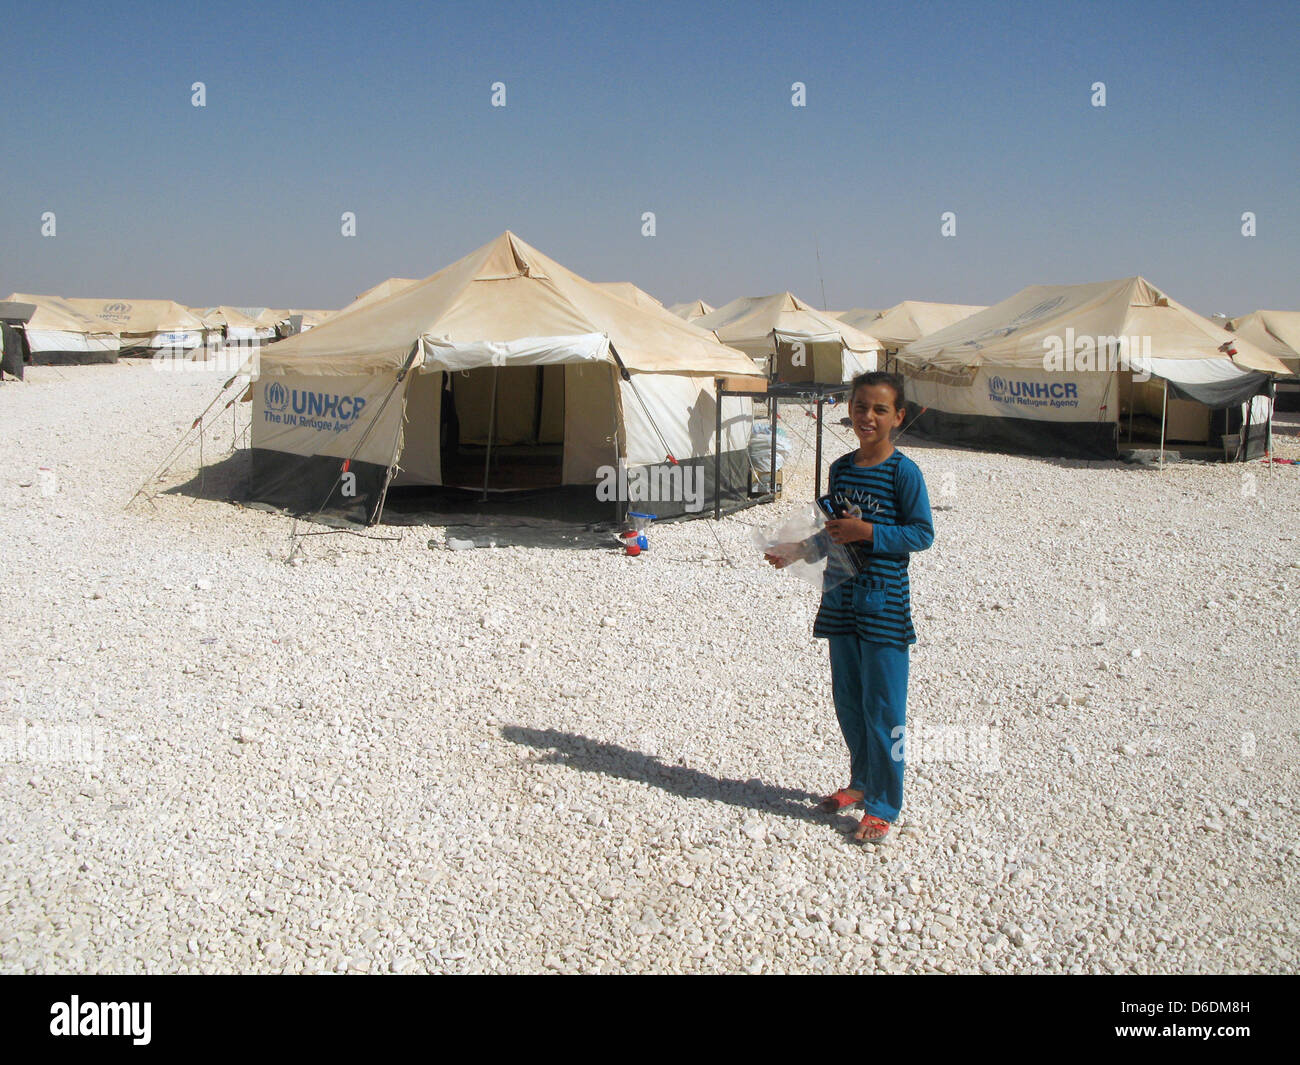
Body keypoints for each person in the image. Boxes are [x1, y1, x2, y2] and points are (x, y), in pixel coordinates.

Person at [765, 371, 934, 843]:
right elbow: (834, 530)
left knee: (884, 707)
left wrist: (871, 534)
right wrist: (796, 550)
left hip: (884, 602)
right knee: (850, 702)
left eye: (880, 409)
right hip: (840, 596)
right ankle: (861, 782)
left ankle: (884, 803)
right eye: (861, 407)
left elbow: (922, 534)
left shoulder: (904, 472)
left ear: (898, 417)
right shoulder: (840, 469)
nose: (868, 417)